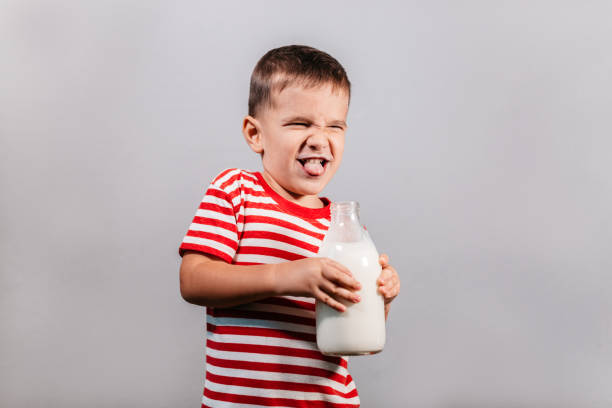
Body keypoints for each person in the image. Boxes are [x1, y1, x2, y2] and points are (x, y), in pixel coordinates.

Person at [179, 44, 400, 408]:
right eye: (300, 123)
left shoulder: (342, 229)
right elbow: (194, 279)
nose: (319, 138)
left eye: (334, 126)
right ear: (255, 134)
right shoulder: (236, 191)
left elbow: (353, 332)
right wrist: (288, 276)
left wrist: (379, 299)